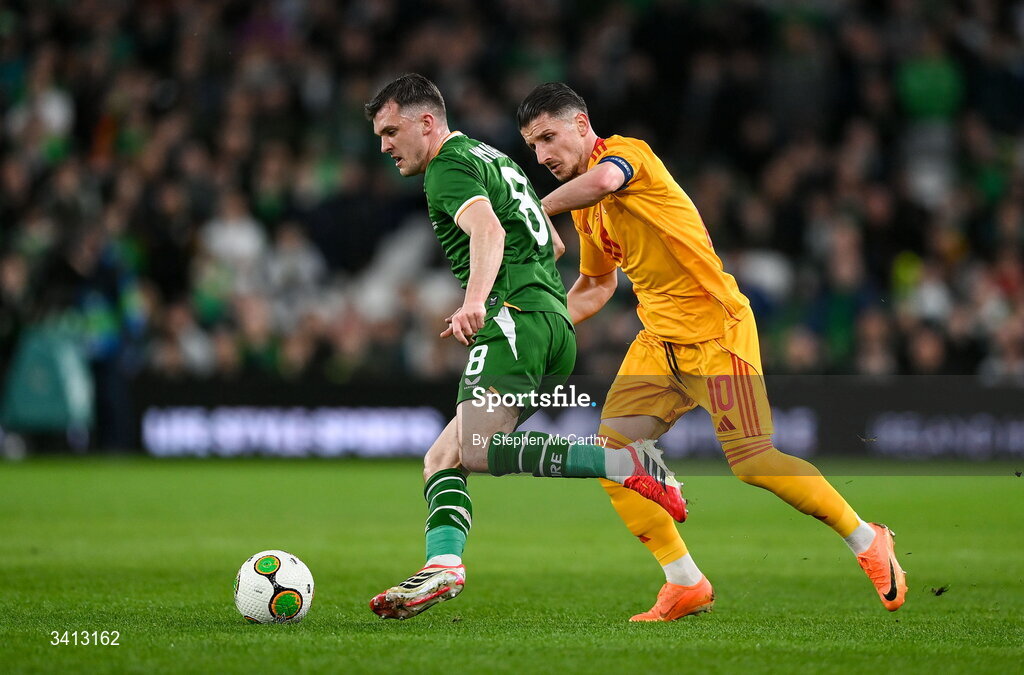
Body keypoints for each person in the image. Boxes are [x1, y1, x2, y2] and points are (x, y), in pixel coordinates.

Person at [517, 82, 907, 621]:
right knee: (611, 456)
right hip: (659, 342)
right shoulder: (586, 210)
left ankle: (867, 539)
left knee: (753, 463)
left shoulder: (627, 157)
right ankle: (685, 582)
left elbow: (606, 180)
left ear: (582, 125)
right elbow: (595, 286)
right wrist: (530, 319)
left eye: (548, 138)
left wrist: (533, 209)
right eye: (532, 146)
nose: (542, 155)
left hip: (716, 333)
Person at [363, 74, 684, 620]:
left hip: (513, 320)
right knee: (442, 457)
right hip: (549, 322)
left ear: (426, 121)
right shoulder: (496, 159)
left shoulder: (446, 167)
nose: (386, 145)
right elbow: (552, 240)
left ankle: (623, 459)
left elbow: (488, 232)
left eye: (392, 130)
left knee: (478, 452)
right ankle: (443, 566)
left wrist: (475, 301)